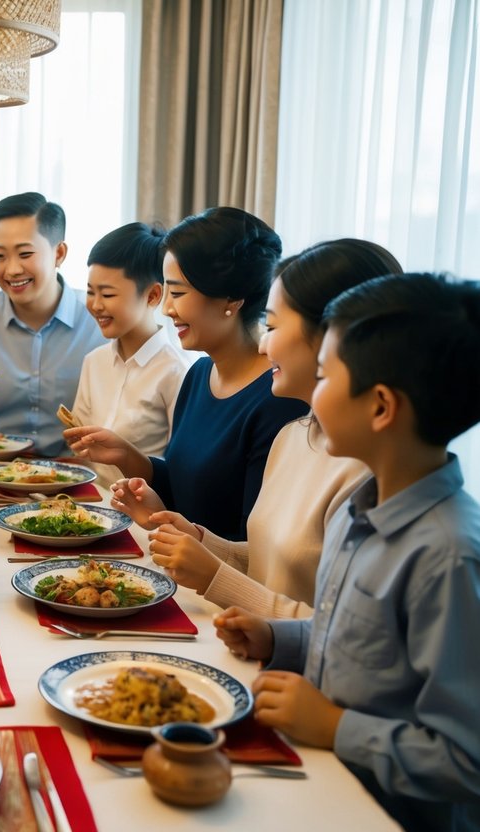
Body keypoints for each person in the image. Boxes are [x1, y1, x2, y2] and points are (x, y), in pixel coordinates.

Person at [216, 273, 480, 831]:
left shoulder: (449, 556)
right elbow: (365, 646)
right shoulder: (360, 508)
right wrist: (280, 637)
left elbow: (465, 760)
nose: (315, 388)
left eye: (328, 375)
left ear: (381, 406)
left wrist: (337, 726)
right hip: (319, 779)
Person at [140, 240, 398, 617]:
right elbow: (270, 561)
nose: (262, 345)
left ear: (335, 338)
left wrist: (215, 575)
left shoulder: (369, 474)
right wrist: (201, 541)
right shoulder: (294, 435)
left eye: (272, 326)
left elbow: (340, 634)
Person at [67, 206, 306, 539]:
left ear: (231, 299)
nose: (166, 307)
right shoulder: (200, 375)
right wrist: (128, 456)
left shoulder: (277, 397)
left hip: (220, 586)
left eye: (177, 293)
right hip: (179, 567)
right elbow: (184, 492)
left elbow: (254, 545)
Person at [0, 192, 106, 457]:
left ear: (59, 253)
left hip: (78, 473)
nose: (12, 270)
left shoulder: (99, 321)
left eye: (25, 254)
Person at [70, 222, 190, 485]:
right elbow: (80, 449)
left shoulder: (177, 371)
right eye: (91, 292)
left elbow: (181, 470)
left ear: (152, 296)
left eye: (108, 294)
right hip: (90, 505)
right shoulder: (94, 362)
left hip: (144, 514)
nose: (96, 305)